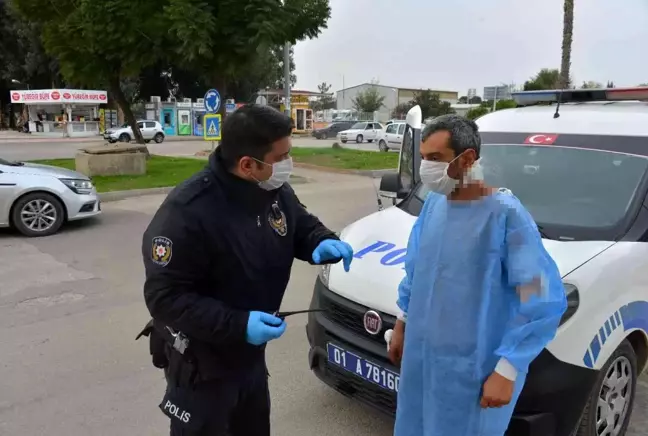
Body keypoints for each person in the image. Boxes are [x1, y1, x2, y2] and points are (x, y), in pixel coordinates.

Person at [140, 104, 354, 436]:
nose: (288, 164)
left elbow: (298, 225)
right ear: (247, 164)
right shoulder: (188, 213)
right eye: (281, 157)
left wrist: (321, 242)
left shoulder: (272, 188)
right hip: (203, 368)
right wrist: (239, 324)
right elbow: (165, 297)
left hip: (250, 360)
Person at [387, 115, 566, 436]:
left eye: (435, 159)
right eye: (424, 158)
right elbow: (417, 271)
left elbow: (540, 299)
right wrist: (403, 323)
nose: (426, 168)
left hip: (475, 372)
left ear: (467, 158)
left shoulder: (506, 217)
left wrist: (508, 369)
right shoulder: (434, 207)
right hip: (423, 361)